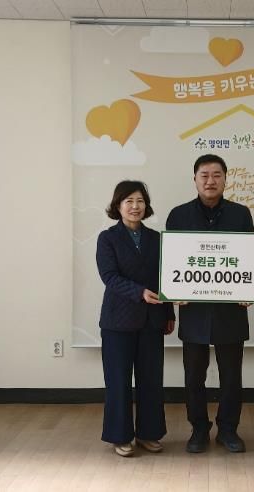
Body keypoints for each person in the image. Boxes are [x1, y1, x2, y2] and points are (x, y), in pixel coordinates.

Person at [166, 154, 254, 453]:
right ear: (194, 179)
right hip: (194, 310)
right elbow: (172, 261)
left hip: (231, 309)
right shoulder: (178, 215)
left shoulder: (240, 214)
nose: (210, 181)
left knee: (231, 376)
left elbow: (248, 258)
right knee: (194, 376)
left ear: (226, 179)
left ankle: (228, 430)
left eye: (217, 175)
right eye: (204, 175)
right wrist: (173, 291)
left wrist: (250, 290)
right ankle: (199, 429)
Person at [96, 180, 175, 457]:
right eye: (128, 201)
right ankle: (120, 436)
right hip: (118, 321)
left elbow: (167, 279)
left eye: (140, 200)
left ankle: (148, 434)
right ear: (118, 206)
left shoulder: (157, 239)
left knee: (151, 380)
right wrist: (139, 292)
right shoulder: (107, 238)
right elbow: (109, 277)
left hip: (153, 320)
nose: (135, 206)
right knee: (118, 381)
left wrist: (169, 313)